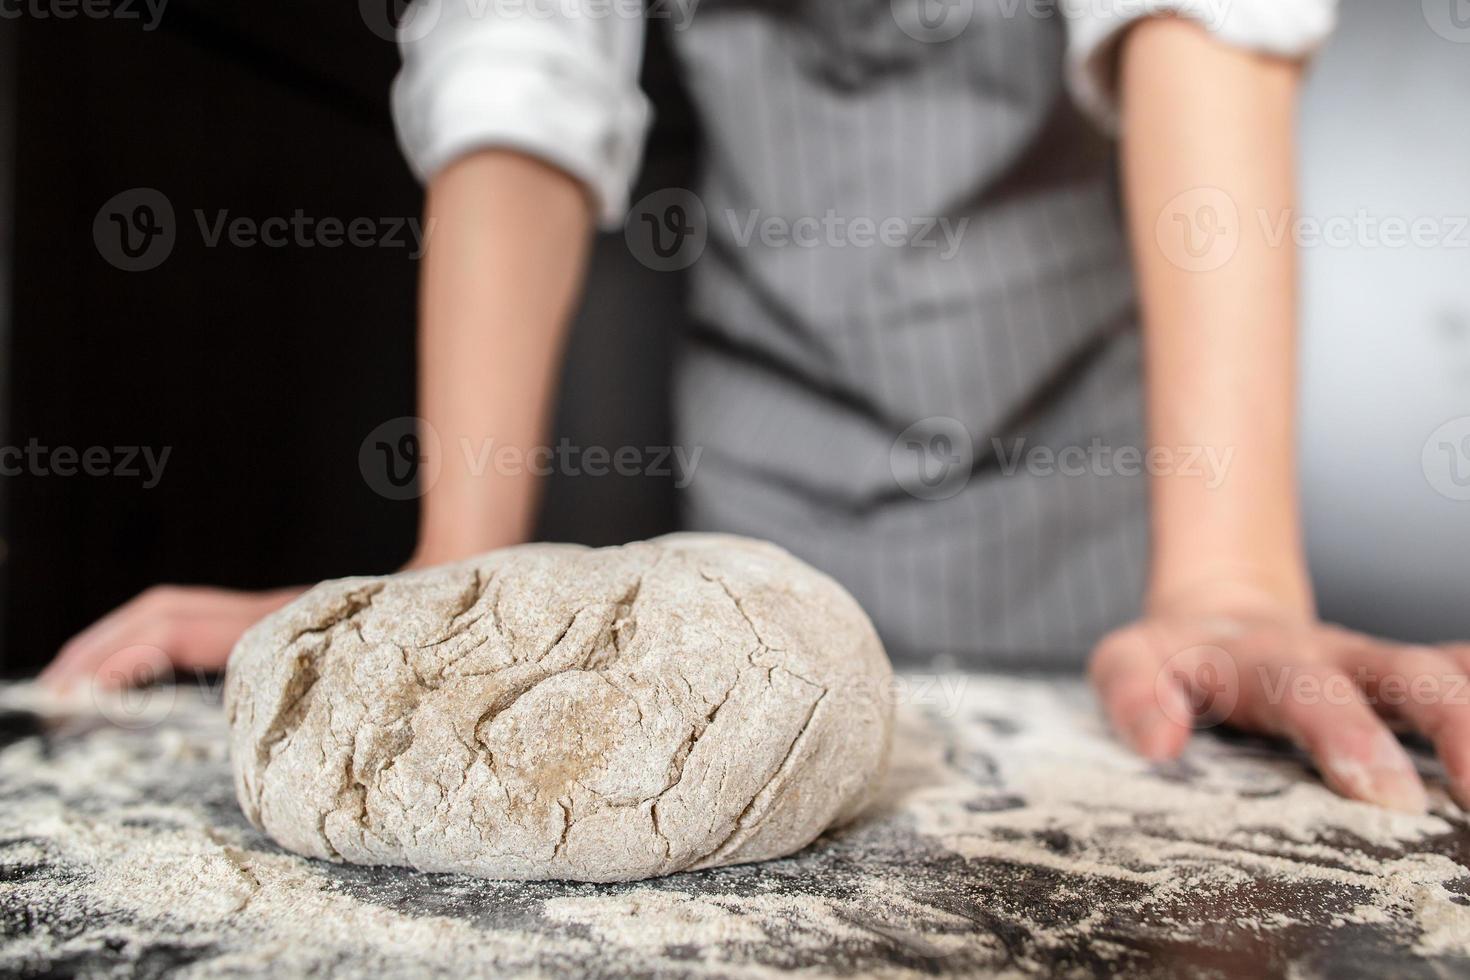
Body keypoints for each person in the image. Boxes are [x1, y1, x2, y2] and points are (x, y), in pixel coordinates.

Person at [39, 0, 1470, 815]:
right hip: (768, 482)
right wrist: (455, 571)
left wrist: (1225, 576)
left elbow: (1200, 17)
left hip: (1094, 489)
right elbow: (518, 66)